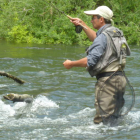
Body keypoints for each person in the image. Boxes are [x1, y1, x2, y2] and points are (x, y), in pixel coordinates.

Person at [63, 6, 130, 124]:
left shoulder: (104, 36)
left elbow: (90, 60)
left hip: (107, 83)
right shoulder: (116, 32)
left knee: (102, 122)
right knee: (115, 119)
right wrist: (82, 24)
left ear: (101, 19)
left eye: (93, 17)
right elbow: (98, 39)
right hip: (120, 79)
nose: (91, 20)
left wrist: (71, 64)